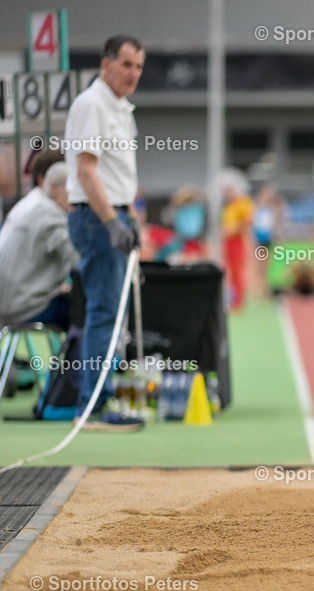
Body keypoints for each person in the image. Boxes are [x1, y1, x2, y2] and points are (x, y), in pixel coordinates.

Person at [64, 35, 145, 432]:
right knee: (104, 314)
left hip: (114, 215)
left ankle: (99, 396)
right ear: (105, 64)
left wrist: (129, 217)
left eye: (139, 67)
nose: (133, 73)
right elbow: (85, 170)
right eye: (127, 64)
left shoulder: (120, 109)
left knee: (113, 316)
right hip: (97, 219)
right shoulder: (94, 104)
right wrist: (112, 222)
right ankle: (92, 405)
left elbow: (116, 174)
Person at [0, 162, 78, 331]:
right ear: (53, 188)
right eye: (71, 189)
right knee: (89, 311)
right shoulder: (52, 218)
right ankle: (83, 357)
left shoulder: (35, 212)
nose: (76, 196)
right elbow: (78, 261)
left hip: (8, 306)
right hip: (25, 309)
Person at [221, 168, 254, 311]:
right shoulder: (229, 206)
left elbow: (247, 223)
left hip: (238, 241)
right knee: (229, 272)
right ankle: (233, 299)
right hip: (228, 241)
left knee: (237, 271)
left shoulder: (243, 203)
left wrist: (232, 229)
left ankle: (239, 301)